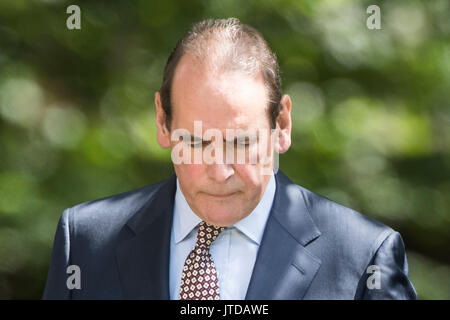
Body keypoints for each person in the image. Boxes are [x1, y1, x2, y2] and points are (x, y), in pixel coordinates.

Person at [43, 18, 417, 300]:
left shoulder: (364, 256)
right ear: (162, 121)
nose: (219, 172)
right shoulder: (85, 242)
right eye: (195, 142)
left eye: (240, 143)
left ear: (282, 125)